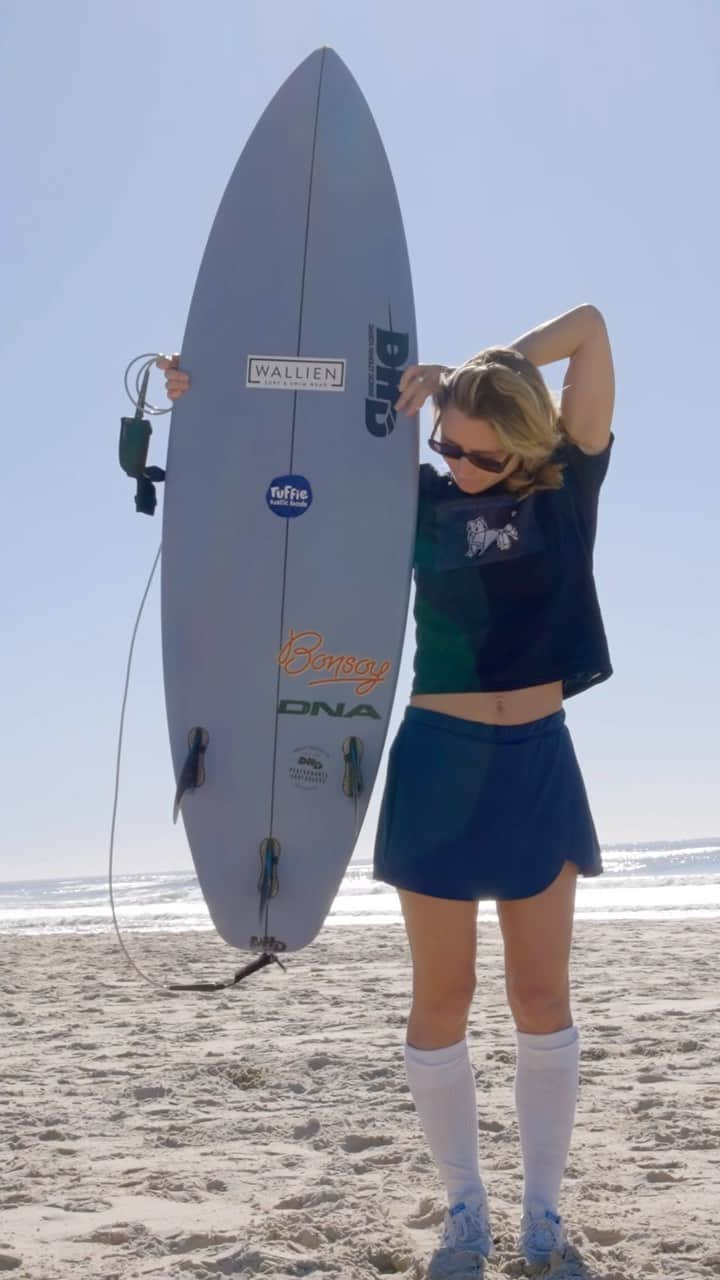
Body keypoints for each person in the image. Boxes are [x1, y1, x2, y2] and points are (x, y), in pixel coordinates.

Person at [156, 302, 616, 1276]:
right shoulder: (417, 498)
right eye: (447, 444)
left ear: (530, 443)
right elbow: (285, 481)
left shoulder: (570, 481)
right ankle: (465, 1214)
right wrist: (203, 408)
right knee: (441, 997)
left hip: (537, 759)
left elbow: (591, 328)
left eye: (481, 454)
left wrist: (485, 373)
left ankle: (543, 1218)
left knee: (541, 996)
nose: (457, 464)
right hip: (439, 761)